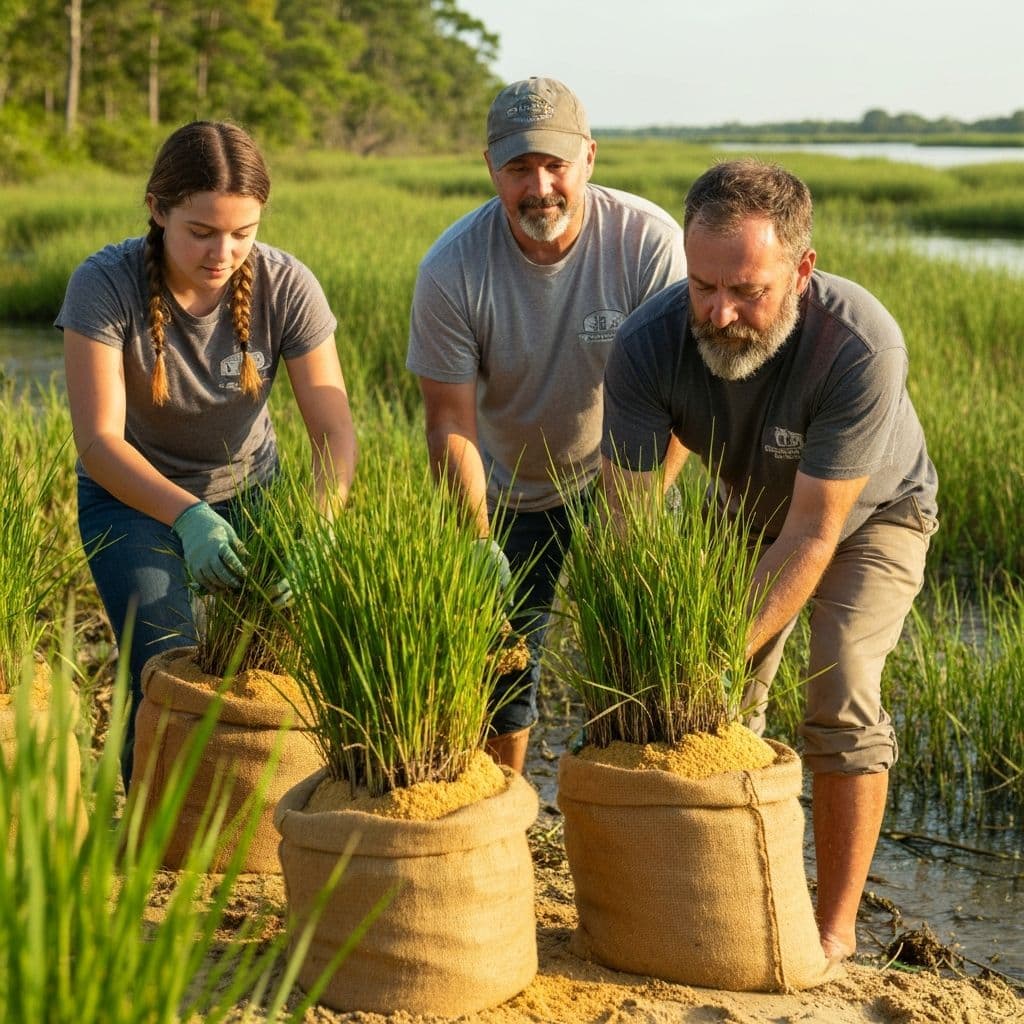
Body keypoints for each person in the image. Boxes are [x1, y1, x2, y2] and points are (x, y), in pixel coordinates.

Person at [600, 157, 938, 962]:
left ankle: (833, 928)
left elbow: (815, 533)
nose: (719, 313)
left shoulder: (857, 344)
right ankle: (722, 899)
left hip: (870, 519)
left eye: (746, 290)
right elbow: (627, 525)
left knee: (840, 688)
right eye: (703, 285)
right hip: (747, 512)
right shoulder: (648, 344)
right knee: (718, 707)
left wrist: (711, 649)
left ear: (801, 269)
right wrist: (654, 661)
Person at [57, 120, 357, 788]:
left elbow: (333, 431)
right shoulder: (103, 285)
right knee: (164, 660)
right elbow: (100, 443)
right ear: (158, 210)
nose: (224, 252)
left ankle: (245, 824)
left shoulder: (287, 285)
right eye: (202, 231)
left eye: (243, 232)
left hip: (253, 491)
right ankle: (151, 838)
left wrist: (320, 526)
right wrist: (188, 516)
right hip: (133, 496)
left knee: (263, 667)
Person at [406, 77, 687, 773]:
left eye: (555, 164)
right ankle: (507, 814)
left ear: (589, 157)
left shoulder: (648, 243)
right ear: (490, 168)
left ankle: (630, 803)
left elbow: (682, 402)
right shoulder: (451, 268)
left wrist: (630, 514)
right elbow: (449, 424)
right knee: (503, 670)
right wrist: (475, 538)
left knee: (642, 656)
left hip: (627, 472)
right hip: (506, 488)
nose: (540, 187)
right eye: (519, 168)